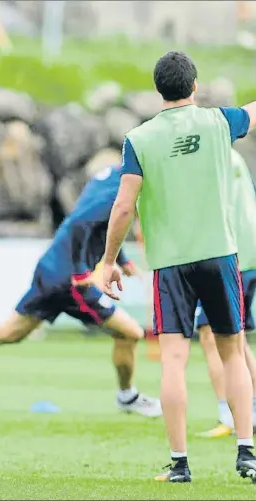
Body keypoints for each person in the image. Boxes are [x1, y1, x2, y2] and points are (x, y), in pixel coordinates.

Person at [102, 50, 256, 483]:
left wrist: (108, 260)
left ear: (158, 90)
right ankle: (247, 453)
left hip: (170, 265)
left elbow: (123, 207)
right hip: (220, 254)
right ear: (194, 85)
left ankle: (181, 464)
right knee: (233, 351)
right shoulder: (219, 122)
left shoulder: (139, 138)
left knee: (173, 360)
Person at [0, 164, 163, 420]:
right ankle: (127, 397)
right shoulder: (121, 192)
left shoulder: (109, 175)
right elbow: (82, 223)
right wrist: (82, 272)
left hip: (51, 267)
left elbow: (102, 223)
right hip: (69, 280)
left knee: (11, 331)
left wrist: (122, 259)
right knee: (130, 332)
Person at [196, 149, 256, 438]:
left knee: (213, 334)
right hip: (246, 255)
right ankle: (248, 411)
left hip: (233, 257)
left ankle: (230, 415)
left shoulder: (214, 158)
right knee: (236, 339)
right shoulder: (231, 155)